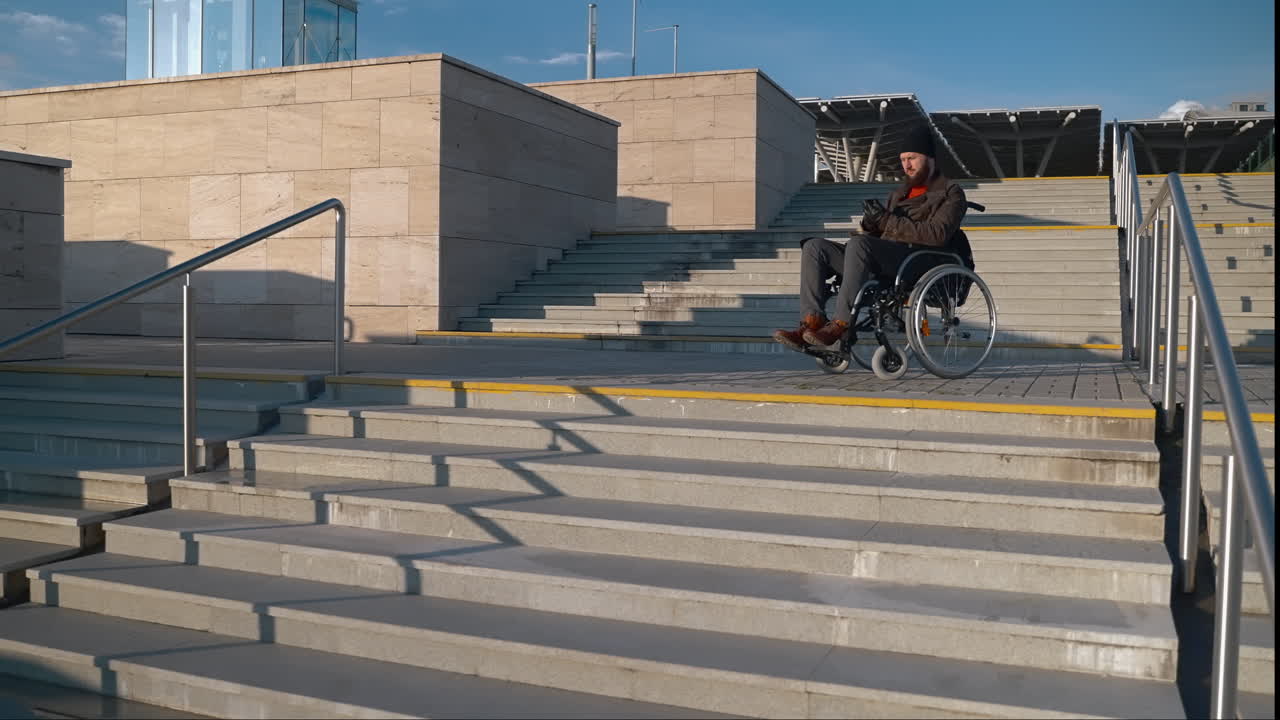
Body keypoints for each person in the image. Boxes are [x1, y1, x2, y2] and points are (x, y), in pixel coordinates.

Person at [772, 124, 971, 352]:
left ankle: (841, 325)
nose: (906, 165)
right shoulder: (899, 194)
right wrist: (870, 222)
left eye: (912, 158)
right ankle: (811, 322)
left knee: (859, 245)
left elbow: (937, 234)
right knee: (814, 247)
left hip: (914, 260)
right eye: (903, 159)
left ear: (929, 158)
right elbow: (875, 235)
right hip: (880, 256)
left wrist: (885, 221)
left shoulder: (950, 192)